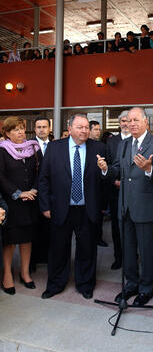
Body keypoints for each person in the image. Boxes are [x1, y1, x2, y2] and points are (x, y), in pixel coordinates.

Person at [97, 107, 153, 306]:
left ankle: (146, 287)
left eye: (136, 120)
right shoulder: (124, 144)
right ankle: (131, 284)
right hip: (124, 206)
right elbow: (120, 170)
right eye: (128, 121)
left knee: (146, 252)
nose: (131, 124)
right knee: (128, 251)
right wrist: (106, 170)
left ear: (146, 121)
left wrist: (149, 168)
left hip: (146, 207)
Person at [39, 114, 106, 299]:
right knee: (58, 248)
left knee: (87, 249)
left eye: (86, 127)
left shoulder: (99, 148)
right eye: (80, 127)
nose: (84, 130)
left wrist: (102, 205)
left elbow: (104, 181)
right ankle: (55, 284)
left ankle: (85, 284)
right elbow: (43, 179)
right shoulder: (54, 148)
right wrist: (45, 205)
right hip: (60, 208)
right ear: (69, 129)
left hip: (87, 209)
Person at [0, 116, 41, 295]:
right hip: (11, 203)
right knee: (10, 242)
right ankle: (7, 275)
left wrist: (33, 190)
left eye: (22, 128)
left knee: (26, 239)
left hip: (31, 201)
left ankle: (25, 273)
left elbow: (41, 171)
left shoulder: (33, 148)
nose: (20, 132)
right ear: (7, 133)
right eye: (16, 129)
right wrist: (18, 193)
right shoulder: (2, 151)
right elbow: (0, 177)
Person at [106, 110, 130, 270]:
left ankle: (131, 257)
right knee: (116, 226)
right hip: (115, 191)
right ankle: (118, 257)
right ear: (119, 123)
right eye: (123, 121)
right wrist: (114, 180)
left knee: (131, 226)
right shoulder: (111, 141)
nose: (126, 124)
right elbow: (107, 164)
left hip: (134, 191)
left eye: (128, 121)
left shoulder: (138, 139)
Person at [30, 117, 51, 271]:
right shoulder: (28, 146)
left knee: (49, 229)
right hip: (33, 193)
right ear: (34, 129)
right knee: (33, 229)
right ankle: (32, 261)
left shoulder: (56, 145)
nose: (42, 129)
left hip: (51, 194)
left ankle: (48, 257)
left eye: (44, 126)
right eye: (39, 127)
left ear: (50, 128)